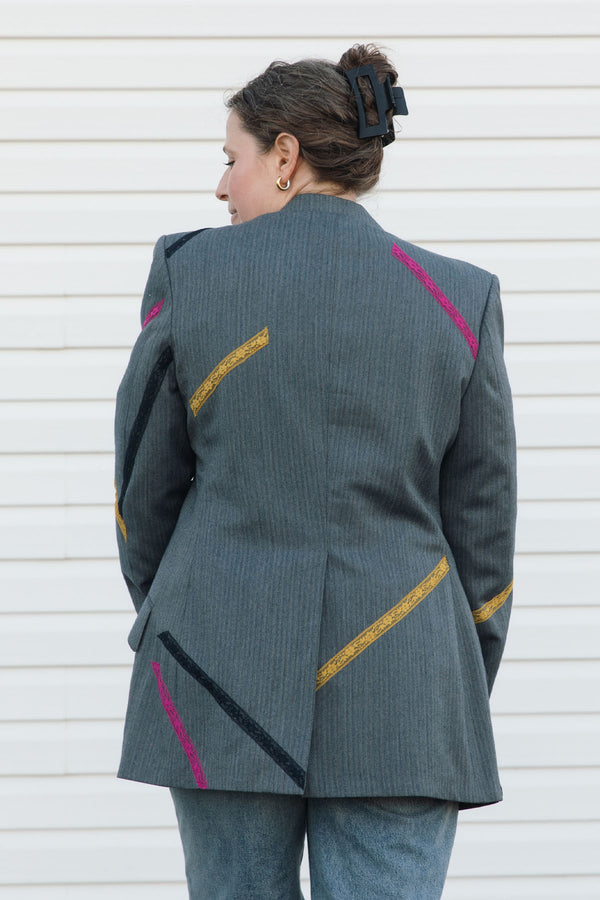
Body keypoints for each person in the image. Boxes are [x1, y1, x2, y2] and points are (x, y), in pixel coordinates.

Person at [114, 44, 517, 899]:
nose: (222, 186)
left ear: (286, 156)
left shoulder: (192, 276)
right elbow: (484, 531)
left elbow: (142, 496)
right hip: (409, 681)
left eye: (232, 157)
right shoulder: (458, 298)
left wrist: (182, 615)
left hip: (217, 664)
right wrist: (447, 670)